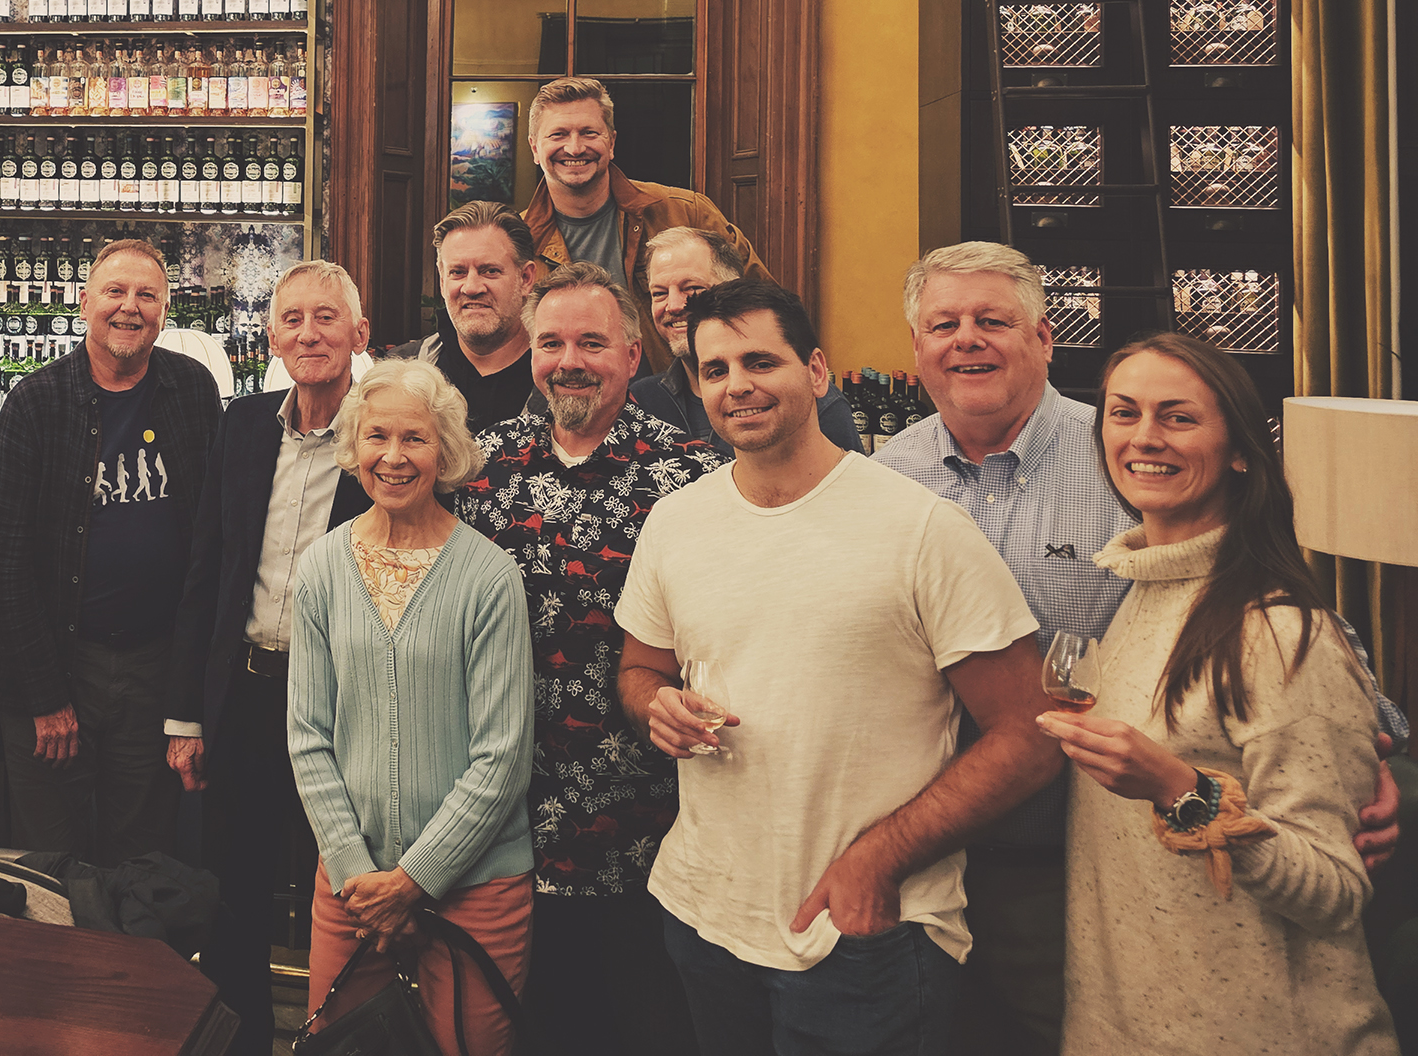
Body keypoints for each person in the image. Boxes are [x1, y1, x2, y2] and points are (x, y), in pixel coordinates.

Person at [875, 241, 1402, 1056]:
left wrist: (1381, 752)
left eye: (992, 320)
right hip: (923, 851)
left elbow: (1281, 630)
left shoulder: (1122, 457)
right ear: (916, 349)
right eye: (944, 324)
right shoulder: (888, 473)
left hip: (1084, 866)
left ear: (1045, 338)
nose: (966, 338)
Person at [616, 275, 1058, 1056]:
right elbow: (639, 669)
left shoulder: (921, 528)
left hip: (865, 934)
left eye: (760, 361)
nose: (737, 386)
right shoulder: (676, 521)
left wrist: (878, 861)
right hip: (704, 913)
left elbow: (1029, 734)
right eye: (714, 371)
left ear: (817, 373)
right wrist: (657, 705)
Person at [1037, 333, 1396, 1055]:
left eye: (1178, 417)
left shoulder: (1279, 631)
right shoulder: (1141, 594)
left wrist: (1180, 791)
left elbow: (1334, 889)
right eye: (1123, 412)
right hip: (1126, 1026)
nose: (1144, 437)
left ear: (1238, 449)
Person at [458, 262, 720, 1055]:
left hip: (647, 814)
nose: (569, 359)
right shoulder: (479, 467)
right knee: (532, 1023)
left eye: (591, 342)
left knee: (648, 1023)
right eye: (551, 342)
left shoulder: (692, 475)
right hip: (508, 808)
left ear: (633, 355)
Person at [290, 359, 534, 1056]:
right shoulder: (322, 567)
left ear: (446, 451)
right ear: (353, 447)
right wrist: (358, 872)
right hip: (353, 880)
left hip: (477, 885)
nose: (392, 457)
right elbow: (308, 737)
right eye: (376, 437)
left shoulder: (489, 575)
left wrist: (414, 880)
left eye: (415, 440)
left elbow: (503, 758)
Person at [170, 260, 375, 1056]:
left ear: (359, 335)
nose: (309, 334)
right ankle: (238, 1039)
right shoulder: (244, 423)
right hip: (248, 695)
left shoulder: (382, 432)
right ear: (270, 334)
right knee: (233, 890)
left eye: (328, 318)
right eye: (293, 319)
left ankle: (343, 1039)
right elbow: (208, 574)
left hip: (342, 705)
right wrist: (187, 716)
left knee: (347, 888)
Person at [0, 237, 221, 860]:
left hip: (154, 668)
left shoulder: (192, 389)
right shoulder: (35, 401)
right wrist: (46, 697)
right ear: (85, 302)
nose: (130, 307)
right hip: (58, 663)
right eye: (116, 291)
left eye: (147, 295)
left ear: (166, 310)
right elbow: (2, 560)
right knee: (48, 860)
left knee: (142, 855)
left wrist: (188, 697)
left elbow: (212, 535)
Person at [519, 76, 769, 335]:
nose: (574, 148)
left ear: (612, 143)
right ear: (535, 148)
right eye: (558, 134)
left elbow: (763, 304)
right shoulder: (516, 241)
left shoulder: (687, 212)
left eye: (589, 133)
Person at [632, 226, 862, 454]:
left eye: (692, 288)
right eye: (659, 293)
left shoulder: (810, 401)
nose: (672, 305)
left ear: (732, 290)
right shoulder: (642, 400)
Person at [389, 202, 543, 433]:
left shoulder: (561, 376)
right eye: (458, 272)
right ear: (442, 281)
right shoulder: (402, 371)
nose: (471, 288)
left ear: (526, 278)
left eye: (490, 271)